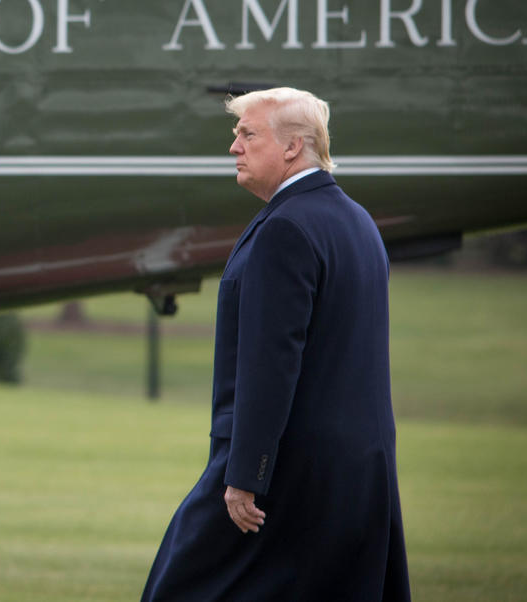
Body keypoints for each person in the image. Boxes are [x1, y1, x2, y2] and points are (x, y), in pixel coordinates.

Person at [141, 87, 411, 601]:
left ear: (293, 147)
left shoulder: (285, 229)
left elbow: (272, 364)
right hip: (359, 474)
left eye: (247, 134)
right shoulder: (357, 222)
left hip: (284, 475)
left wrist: (246, 476)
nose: (233, 147)